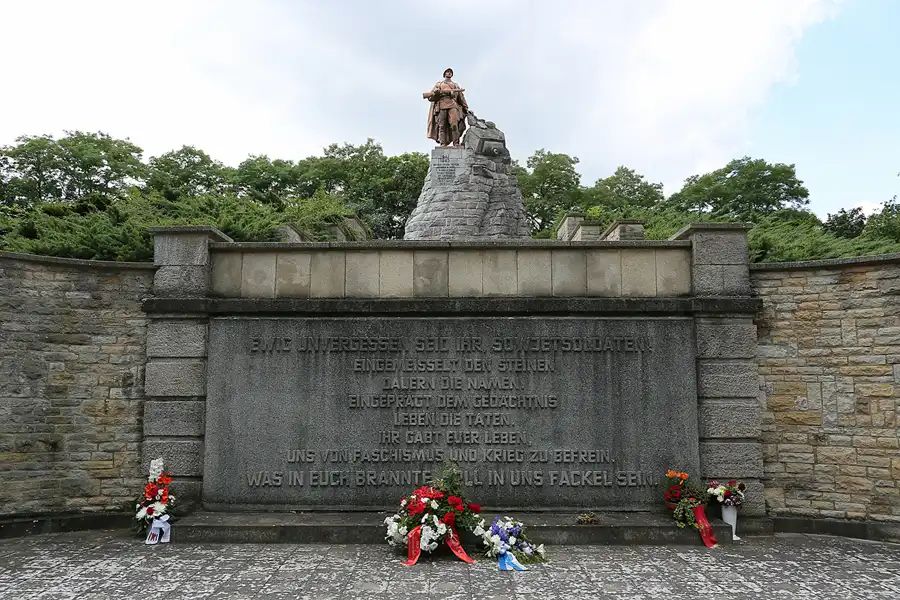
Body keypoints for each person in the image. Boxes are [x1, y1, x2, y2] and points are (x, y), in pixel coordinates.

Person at [424, 68, 469, 146]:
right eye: (447, 72)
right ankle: (443, 143)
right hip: (441, 106)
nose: (449, 73)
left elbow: (461, 97)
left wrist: (465, 107)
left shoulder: (456, 85)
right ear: (444, 74)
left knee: (454, 124)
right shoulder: (439, 84)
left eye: (450, 72)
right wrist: (436, 93)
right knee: (442, 125)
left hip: (453, 105)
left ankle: (456, 143)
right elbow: (430, 97)